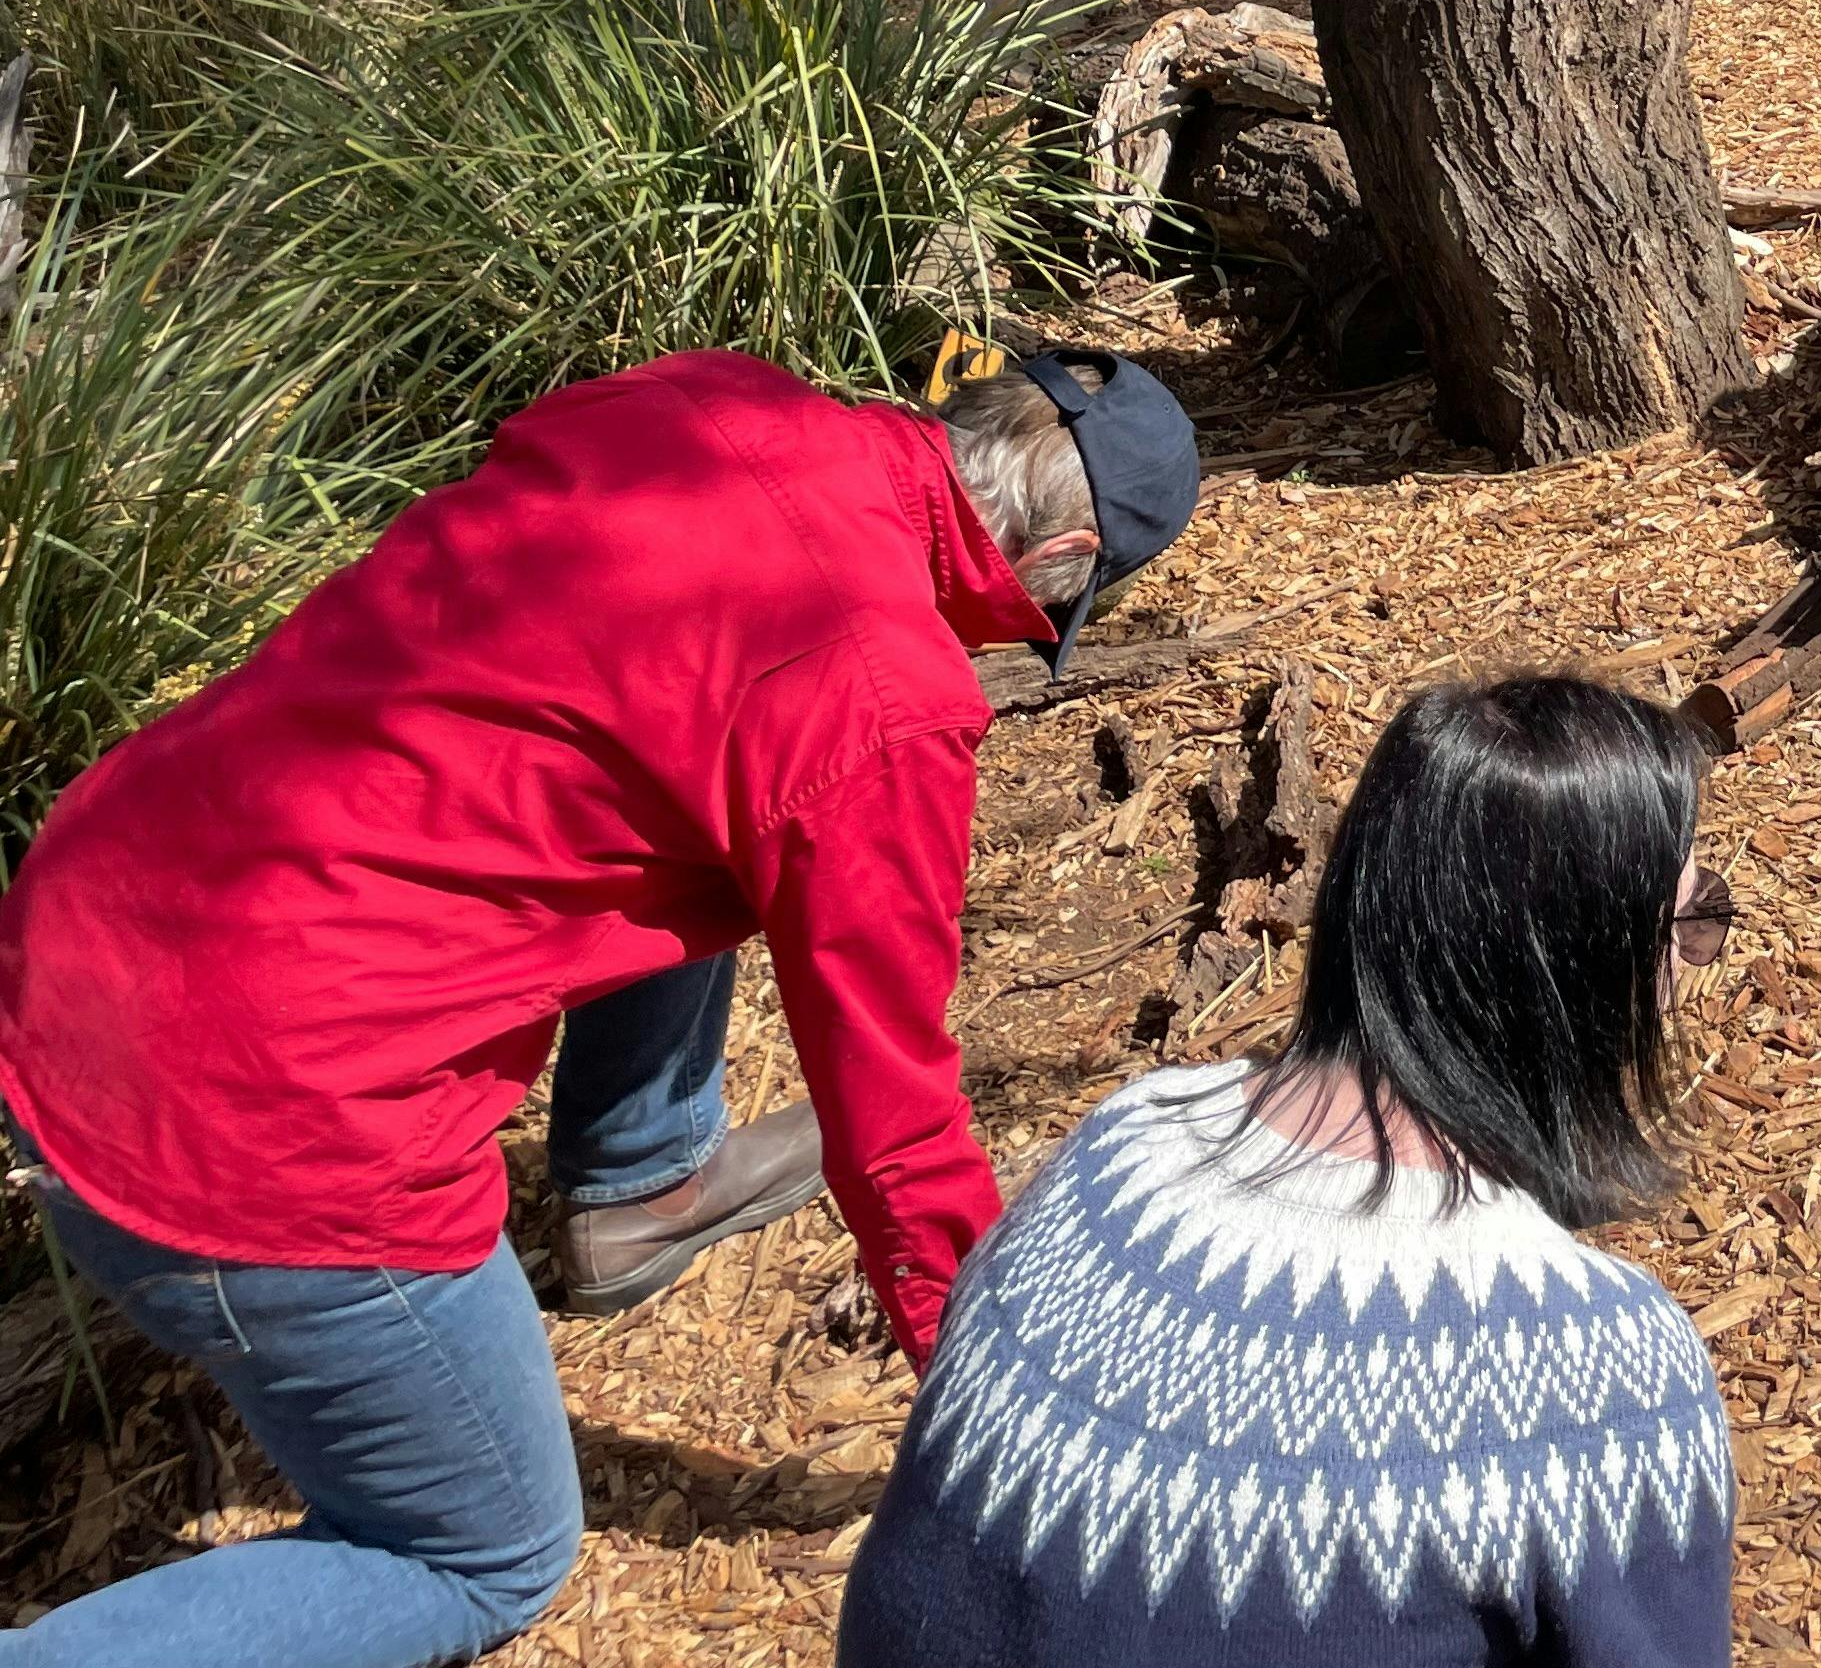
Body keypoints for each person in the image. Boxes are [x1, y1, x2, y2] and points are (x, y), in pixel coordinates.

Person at [0, 343, 1202, 1666]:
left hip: (96, 904)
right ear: (1059, 553)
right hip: (252, 1119)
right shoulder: (883, 701)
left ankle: (638, 1182)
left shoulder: (711, 402)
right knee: (485, 1550)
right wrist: (1006, 1435)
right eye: (1045, 618)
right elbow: (897, 1131)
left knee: (696, 741)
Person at [836, 673, 1740, 1668]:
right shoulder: (1592, 1383)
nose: (1685, 968)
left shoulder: (1113, 1153)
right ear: (1575, 963)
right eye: (1691, 925)